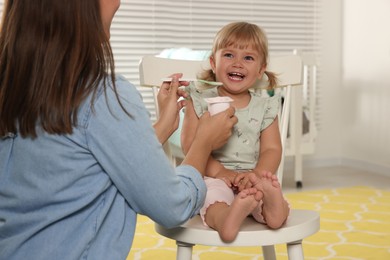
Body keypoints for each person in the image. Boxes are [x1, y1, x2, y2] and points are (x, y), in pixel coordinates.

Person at [0, 1, 238, 259]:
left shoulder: (11, 88)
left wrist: (159, 130)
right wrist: (203, 143)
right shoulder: (101, 97)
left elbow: (75, 168)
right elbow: (173, 205)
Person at [181, 21, 290, 242]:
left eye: (248, 58)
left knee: (260, 193)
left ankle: (273, 211)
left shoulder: (265, 106)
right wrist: (221, 173)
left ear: (261, 69)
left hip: (251, 177)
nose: (238, 63)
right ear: (213, 62)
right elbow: (190, 145)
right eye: (229, 55)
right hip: (212, 177)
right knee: (213, 200)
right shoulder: (201, 99)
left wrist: (257, 175)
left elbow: (272, 149)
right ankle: (227, 220)